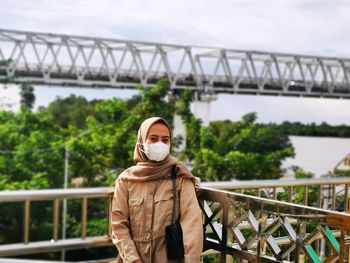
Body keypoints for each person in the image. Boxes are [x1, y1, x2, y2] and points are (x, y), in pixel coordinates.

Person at [111, 117, 203, 263]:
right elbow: (118, 225)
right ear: (141, 142)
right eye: (153, 139)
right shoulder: (126, 180)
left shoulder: (180, 177)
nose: (160, 144)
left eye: (165, 140)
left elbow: (192, 225)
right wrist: (133, 259)